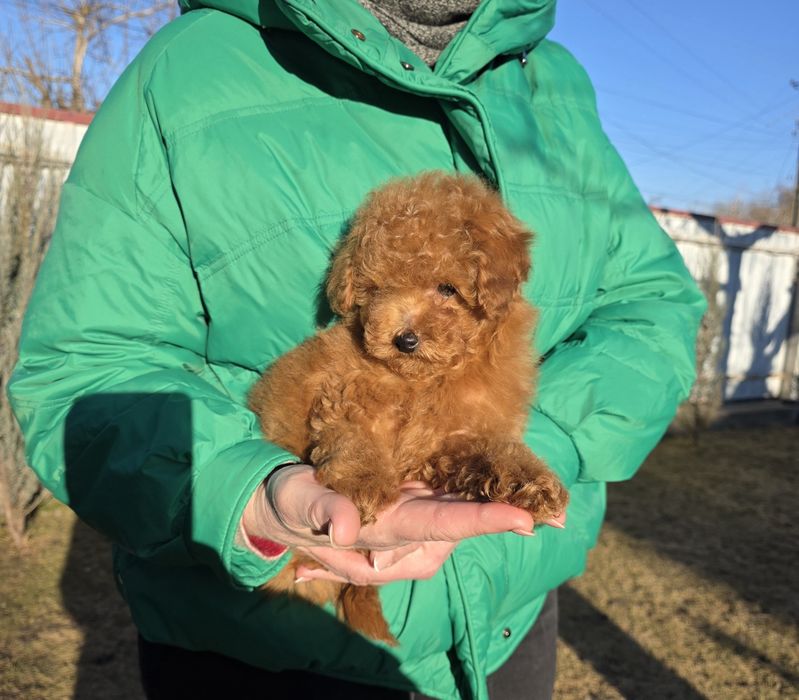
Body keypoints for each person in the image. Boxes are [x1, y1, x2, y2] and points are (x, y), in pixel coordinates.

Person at [7, 1, 706, 698]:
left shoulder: (552, 82)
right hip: (264, 637)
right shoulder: (190, 68)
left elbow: (652, 302)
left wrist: (524, 441)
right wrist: (242, 491)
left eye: (440, 291)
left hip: (509, 612)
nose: (403, 326)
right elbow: (88, 363)